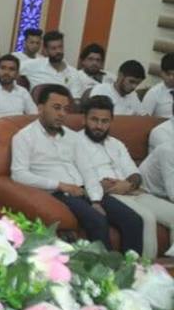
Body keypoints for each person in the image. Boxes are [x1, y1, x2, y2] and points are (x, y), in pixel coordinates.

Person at [10, 85, 142, 252]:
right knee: (98, 221)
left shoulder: (72, 137)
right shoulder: (24, 137)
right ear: (40, 108)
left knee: (133, 220)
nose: (62, 114)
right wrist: (60, 185)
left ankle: (133, 266)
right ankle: (106, 267)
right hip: (57, 193)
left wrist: (95, 200)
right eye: (56, 108)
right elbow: (18, 174)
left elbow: (87, 170)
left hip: (83, 190)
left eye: (65, 109)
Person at [77, 95, 174, 259]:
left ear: (111, 121)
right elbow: (78, 179)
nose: (99, 126)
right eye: (94, 120)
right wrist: (106, 186)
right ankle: (141, 269)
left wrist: (129, 184)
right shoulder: (74, 143)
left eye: (104, 121)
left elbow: (135, 174)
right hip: (106, 194)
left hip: (131, 191)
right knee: (146, 218)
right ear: (84, 119)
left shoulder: (116, 144)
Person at [143, 53, 174, 118]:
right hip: (163, 123)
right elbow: (143, 119)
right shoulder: (153, 93)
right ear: (161, 72)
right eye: (168, 74)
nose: (171, 78)